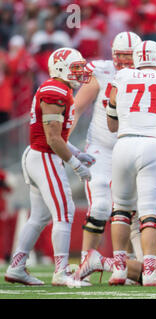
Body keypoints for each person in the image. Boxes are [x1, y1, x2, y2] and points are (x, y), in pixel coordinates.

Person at [4, 48, 94, 287]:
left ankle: (16, 267)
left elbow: (57, 137)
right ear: (61, 67)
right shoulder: (55, 90)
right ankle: (61, 272)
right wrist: (75, 165)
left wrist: (75, 152)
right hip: (44, 157)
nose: (80, 72)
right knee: (64, 213)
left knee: (40, 217)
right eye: (75, 68)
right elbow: (53, 138)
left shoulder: (59, 88)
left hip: (39, 156)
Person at [105, 40, 156, 287]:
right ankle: (149, 272)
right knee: (150, 213)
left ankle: (119, 270)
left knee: (120, 210)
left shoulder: (122, 76)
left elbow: (111, 123)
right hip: (153, 144)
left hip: (124, 143)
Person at [71, 31, 142, 273]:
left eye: (129, 56)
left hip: (132, 148)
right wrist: (64, 146)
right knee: (100, 205)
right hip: (101, 149)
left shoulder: (151, 76)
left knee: (134, 209)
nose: (124, 62)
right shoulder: (101, 71)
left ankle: (134, 265)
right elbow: (76, 109)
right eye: (120, 56)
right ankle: (85, 262)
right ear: (113, 54)